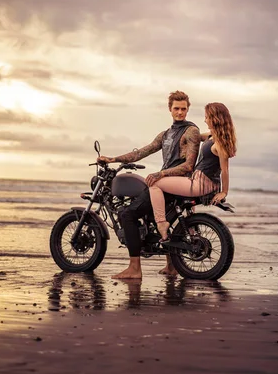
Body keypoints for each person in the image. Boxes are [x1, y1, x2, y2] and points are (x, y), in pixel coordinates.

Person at [99, 90, 201, 279]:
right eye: (176, 108)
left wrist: (160, 173)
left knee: (127, 213)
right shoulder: (166, 134)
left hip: (175, 183)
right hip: (168, 182)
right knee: (154, 215)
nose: (180, 112)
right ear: (169, 109)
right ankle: (171, 266)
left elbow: (188, 166)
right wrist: (113, 158)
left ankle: (134, 268)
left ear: (188, 109)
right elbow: (141, 152)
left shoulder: (191, 131)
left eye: (183, 109)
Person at [148, 102, 236, 242]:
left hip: (200, 184)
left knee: (155, 183)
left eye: (207, 117)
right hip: (199, 181)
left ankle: (161, 223)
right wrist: (178, 138)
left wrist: (224, 192)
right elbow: (195, 137)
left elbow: (224, 170)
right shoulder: (212, 136)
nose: (205, 120)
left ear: (215, 118)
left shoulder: (219, 144)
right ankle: (190, 230)